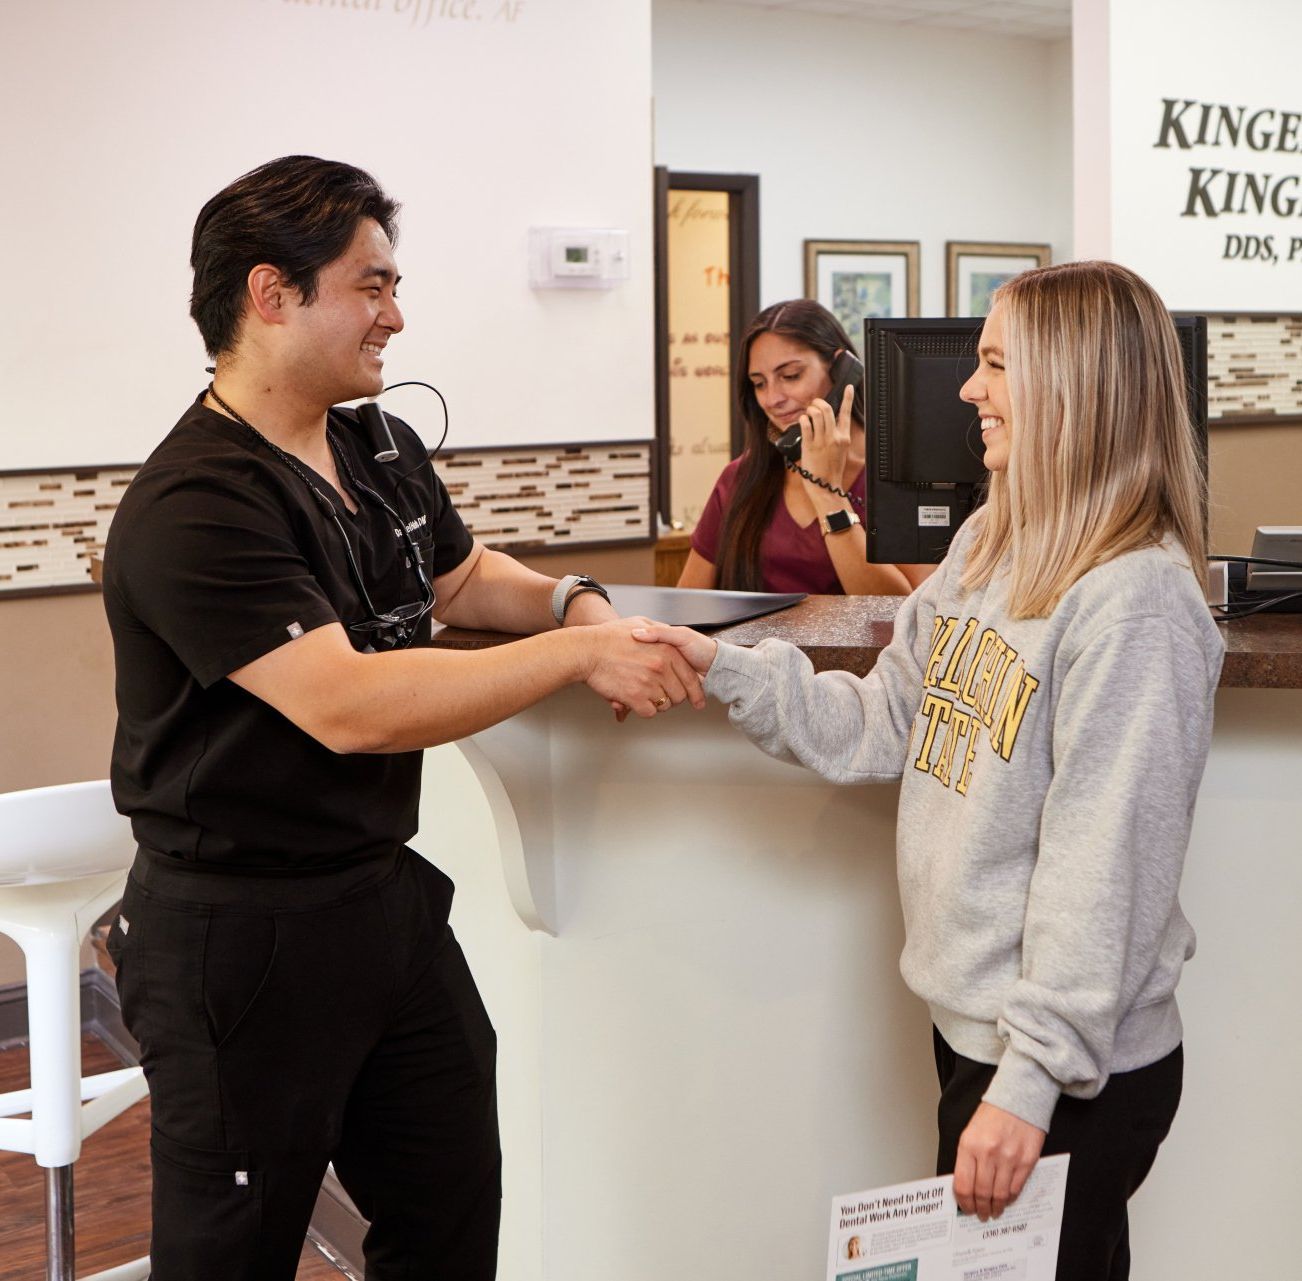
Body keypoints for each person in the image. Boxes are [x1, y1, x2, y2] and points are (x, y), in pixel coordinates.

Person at [101, 154, 703, 1280]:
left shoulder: (375, 445)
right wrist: (580, 656)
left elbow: (465, 581)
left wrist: (577, 601)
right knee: (231, 1254)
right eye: (370, 286)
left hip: (383, 909)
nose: (397, 315)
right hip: (241, 939)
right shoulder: (197, 503)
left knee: (449, 1213)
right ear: (272, 293)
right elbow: (348, 707)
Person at [637, 261, 1224, 1281]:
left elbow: (1107, 873)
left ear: (1073, 388)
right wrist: (724, 668)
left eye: (995, 364)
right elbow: (886, 721)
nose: (968, 389)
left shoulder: (1137, 602)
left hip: (1065, 1066)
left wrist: (1029, 1087)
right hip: (983, 1033)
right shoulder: (997, 538)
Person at [677, 299, 932, 595]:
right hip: (755, 643)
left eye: (790, 376)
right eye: (759, 383)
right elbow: (689, 605)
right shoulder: (739, 477)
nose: (772, 399)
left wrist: (826, 492)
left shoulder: (907, 474)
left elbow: (906, 611)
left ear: (841, 369)